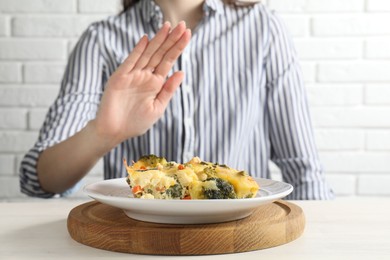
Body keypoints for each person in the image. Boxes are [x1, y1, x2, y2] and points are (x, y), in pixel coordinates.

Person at [20, 0, 333, 199]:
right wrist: (104, 133)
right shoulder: (101, 40)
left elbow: (305, 174)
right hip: (137, 243)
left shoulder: (265, 29)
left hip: (242, 242)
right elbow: (40, 180)